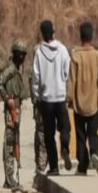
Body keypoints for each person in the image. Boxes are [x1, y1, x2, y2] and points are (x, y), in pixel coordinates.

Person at [32, 20, 71, 176]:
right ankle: (65, 147)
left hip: (46, 100)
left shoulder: (39, 52)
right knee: (65, 127)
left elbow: (36, 77)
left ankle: (54, 167)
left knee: (49, 135)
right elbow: (67, 70)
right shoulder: (62, 49)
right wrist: (62, 82)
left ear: (42, 34)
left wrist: (37, 95)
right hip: (60, 97)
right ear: (53, 32)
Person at [68, 22, 98, 176]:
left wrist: (70, 98)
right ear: (91, 36)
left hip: (79, 102)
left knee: (81, 135)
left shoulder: (76, 57)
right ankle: (95, 152)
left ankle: (82, 165)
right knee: (93, 132)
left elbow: (72, 80)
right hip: (93, 101)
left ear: (81, 36)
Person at [0, 40, 27, 192]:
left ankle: (11, 177)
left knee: (15, 141)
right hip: (11, 109)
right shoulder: (10, 69)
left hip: (17, 107)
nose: (22, 57)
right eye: (20, 54)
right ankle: (9, 177)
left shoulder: (16, 70)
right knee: (9, 142)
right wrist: (7, 99)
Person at [29, 44, 48, 175]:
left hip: (42, 109)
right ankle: (41, 166)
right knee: (40, 139)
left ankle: (41, 167)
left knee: (42, 139)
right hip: (40, 110)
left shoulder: (39, 74)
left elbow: (35, 95)